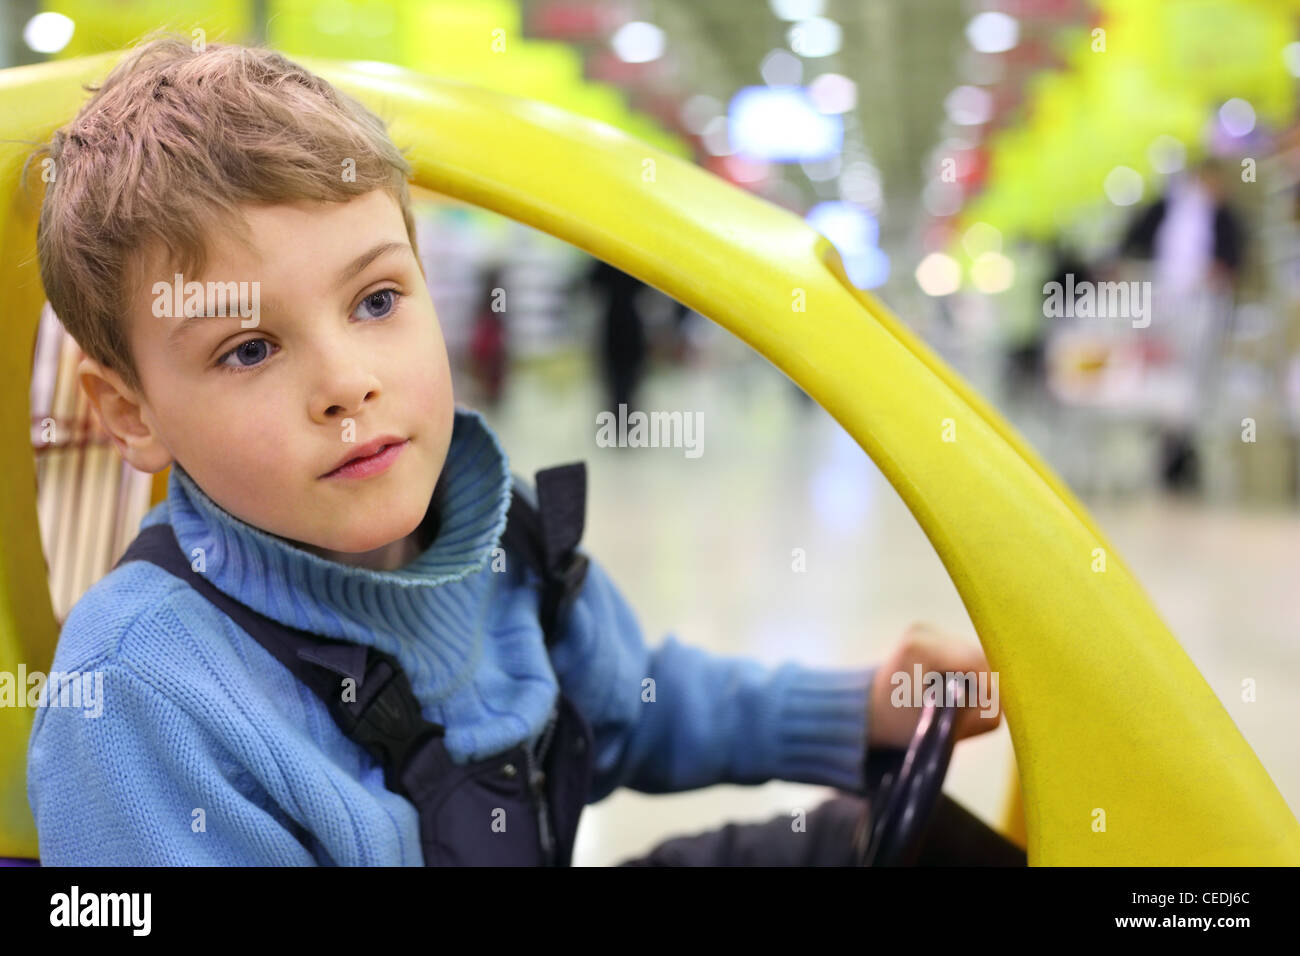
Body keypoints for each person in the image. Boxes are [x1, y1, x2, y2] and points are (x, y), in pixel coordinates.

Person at [24, 35, 1008, 866]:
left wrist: (860, 706)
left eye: (375, 300)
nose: (346, 383)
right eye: (247, 348)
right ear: (129, 413)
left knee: (883, 843)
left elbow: (634, 708)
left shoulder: (504, 538)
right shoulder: (139, 694)